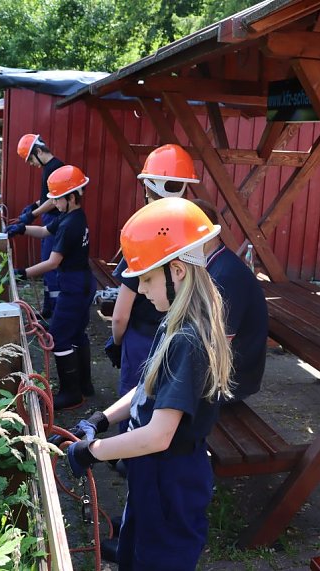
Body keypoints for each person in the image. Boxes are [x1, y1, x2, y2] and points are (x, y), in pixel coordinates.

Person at [64, 197, 234, 571]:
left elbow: (159, 435)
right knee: (133, 554)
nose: (140, 289)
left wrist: (93, 452)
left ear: (177, 271)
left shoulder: (187, 340)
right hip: (152, 477)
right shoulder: (172, 321)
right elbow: (146, 389)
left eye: (146, 278)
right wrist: (101, 420)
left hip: (170, 483)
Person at [106, 143, 198, 431]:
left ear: (148, 187)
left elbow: (120, 314)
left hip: (142, 338)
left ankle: (126, 457)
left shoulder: (145, 232)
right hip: (182, 334)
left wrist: (118, 343)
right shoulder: (194, 231)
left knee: (135, 405)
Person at [8, 165, 96, 410]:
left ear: (71, 197)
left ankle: (70, 393)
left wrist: (22, 273)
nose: (54, 204)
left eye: (57, 199)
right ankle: (84, 385)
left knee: (58, 335)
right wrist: (22, 229)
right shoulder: (72, 217)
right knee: (76, 332)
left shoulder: (70, 225)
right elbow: (46, 231)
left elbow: (53, 262)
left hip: (74, 285)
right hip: (82, 282)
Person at [190, 198, 268, 401]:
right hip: (223, 371)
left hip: (231, 381)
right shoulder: (215, 262)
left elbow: (217, 343)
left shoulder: (226, 276)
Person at [14, 133, 65, 319]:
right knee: (46, 266)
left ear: (38, 151)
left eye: (30, 159)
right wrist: (35, 205)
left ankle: (55, 315)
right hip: (48, 219)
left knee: (50, 267)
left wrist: (32, 215)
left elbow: (54, 201)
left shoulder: (56, 168)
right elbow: (47, 198)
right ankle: (48, 309)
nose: (31, 164)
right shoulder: (48, 169)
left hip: (53, 222)